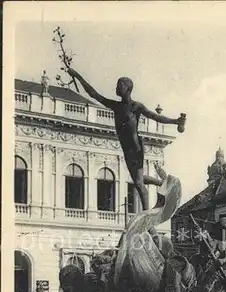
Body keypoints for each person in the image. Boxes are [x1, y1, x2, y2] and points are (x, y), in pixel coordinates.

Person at [67, 67, 186, 210]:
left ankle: (147, 219)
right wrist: (77, 75)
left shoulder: (136, 106)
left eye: (119, 85)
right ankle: (163, 183)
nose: (116, 88)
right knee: (138, 180)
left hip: (135, 148)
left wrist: (175, 121)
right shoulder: (116, 106)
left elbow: (155, 117)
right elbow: (94, 94)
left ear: (128, 89)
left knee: (139, 184)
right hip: (127, 149)